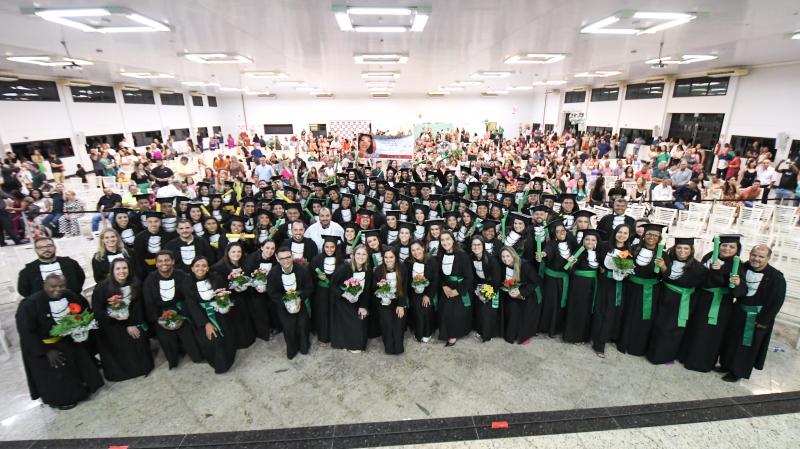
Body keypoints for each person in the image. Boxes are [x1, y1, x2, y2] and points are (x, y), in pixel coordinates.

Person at [15, 273, 104, 410]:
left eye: (62, 286)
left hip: (68, 339)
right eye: (53, 286)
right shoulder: (30, 305)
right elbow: (26, 333)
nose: (58, 289)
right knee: (57, 368)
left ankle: (85, 386)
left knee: (80, 357)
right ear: (45, 285)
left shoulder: (71, 296)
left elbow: (84, 313)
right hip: (45, 345)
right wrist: (46, 351)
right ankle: (62, 398)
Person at [679, 234, 747, 372]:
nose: (727, 249)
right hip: (701, 298)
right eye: (724, 245)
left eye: (731, 246)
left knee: (709, 334)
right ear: (718, 246)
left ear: (737, 249)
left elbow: (741, 289)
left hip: (718, 304)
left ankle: (700, 363)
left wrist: (737, 282)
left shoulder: (736, 264)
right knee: (694, 328)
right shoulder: (710, 255)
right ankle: (686, 356)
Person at [718, 244, 785, 382]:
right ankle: (725, 365)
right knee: (730, 340)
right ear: (750, 254)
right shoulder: (742, 267)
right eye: (754, 255)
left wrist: (763, 321)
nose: (756, 259)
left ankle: (737, 372)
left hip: (756, 317)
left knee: (746, 345)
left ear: (768, 258)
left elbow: (776, 302)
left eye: (761, 257)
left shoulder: (776, 277)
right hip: (738, 311)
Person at [646, 238, 708, 364]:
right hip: (664, 297)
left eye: (686, 248)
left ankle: (664, 356)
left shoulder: (698, 267)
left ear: (691, 250)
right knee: (658, 325)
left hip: (680, 302)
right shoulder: (668, 260)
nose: (682, 251)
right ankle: (652, 353)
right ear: (674, 248)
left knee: (672, 329)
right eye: (679, 248)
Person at [90, 258, 154, 381]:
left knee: (138, 339)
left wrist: (132, 324)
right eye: (118, 268)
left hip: (132, 321)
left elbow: (138, 306)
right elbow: (97, 311)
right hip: (111, 324)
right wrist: (111, 315)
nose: (122, 271)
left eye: (125, 268)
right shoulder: (101, 288)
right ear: (112, 271)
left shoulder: (135, 283)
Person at [141, 250, 203, 369]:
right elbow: (148, 302)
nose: (164, 263)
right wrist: (159, 319)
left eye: (167, 260)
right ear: (156, 263)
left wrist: (181, 314)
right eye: (160, 261)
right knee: (166, 338)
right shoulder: (150, 279)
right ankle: (173, 359)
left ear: (173, 261)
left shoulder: (182, 275)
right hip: (160, 315)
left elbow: (188, 297)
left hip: (180, 311)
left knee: (191, 341)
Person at [617, 223, 665, 356]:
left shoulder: (663, 254)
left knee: (643, 319)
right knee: (627, 315)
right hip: (631, 288)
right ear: (644, 235)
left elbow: (667, 275)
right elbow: (620, 260)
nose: (652, 237)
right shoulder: (633, 248)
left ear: (659, 238)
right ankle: (623, 343)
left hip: (650, 291)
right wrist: (624, 268)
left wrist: (663, 266)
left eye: (655, 235)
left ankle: (637, 346)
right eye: (649, 234)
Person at [183, 256, 237, 374]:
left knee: (226, 332)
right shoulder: (187, 283)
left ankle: (229, 359)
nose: (200, 268)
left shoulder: (216, 278)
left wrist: (223, 305)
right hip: (202, 316)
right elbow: (192, 306)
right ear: (192, 268)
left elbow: (224, 294)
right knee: (212, 338)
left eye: (203, 266)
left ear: (208, 268)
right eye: (197, 266)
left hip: (218, 311)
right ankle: (220, 365)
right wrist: (206, 323)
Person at [590, 224, 632, 357]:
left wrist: (626, 273)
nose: (622, 235)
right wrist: (600, 268)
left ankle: (601, 343)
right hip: (602, 283)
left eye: (625, 233)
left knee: (609, 313)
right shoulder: (603, 245)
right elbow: (594, 260)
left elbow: (627, 270)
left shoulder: (628, 251)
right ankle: (595, 338)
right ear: (615, 233)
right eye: (620, 232)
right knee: (598, 311)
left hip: (617, 285)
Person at [266, 245, 313, 359]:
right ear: (277, 258)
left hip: (300, 301)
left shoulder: (302, 270)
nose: (286, 260)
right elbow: (272, 292)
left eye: (288, 257)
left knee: (302, 325)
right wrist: (285, 303)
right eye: (282, 258)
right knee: (288, 326)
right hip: (283, 304)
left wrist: (299, 299)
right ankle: (292, 348)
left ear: (292, 256)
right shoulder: (273, 273)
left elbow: (309, 287)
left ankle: (304, 346)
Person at [562, 229, 601, 344]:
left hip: (593, 285)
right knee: (577, 310)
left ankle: (584, 336)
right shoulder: (577, 252)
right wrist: (571, 264)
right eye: (587, 239)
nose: (590, 242)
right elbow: (569, 270)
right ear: (583, 241)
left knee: (588, 311)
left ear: (597, 242)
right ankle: (573, 336)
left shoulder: (599, 254)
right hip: (578, 285)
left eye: (593, 240)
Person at [435, 230, 473, 346]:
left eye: (448, 239)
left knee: (454, 312)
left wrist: (457, 291)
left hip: (461, 288)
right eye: (442, 240)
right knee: (444, 309)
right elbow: (440, 275)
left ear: (453, 240)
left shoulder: (463, 256)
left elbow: (469, 278)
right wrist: (444, 286)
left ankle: (453, 334)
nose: (445, 242)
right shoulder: (440, 256)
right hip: (447, 288)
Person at [18, 236, 85, 298]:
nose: (46, 249)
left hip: (72, 299)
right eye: (41, 247)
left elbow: (80, 278)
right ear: (36, 250)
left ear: (55, 247)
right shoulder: (28, 270)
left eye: (49, 246)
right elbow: (24, 291)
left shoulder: (70, 263)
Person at [499, 245, 541, 344]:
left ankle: (523, 334)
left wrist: (520, 292)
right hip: (512, 291)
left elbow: (534, 282)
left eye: (508, 256)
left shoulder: (525, 265)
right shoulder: (503, 266)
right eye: (503, 257)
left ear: (513, 255)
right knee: (510, 306)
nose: (505, 259)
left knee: (521, 308)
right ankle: (510, 334)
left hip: (528, 292)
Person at [372, 247, 408, 355]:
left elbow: (404, 287)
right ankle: (389, 347)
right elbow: (374, 288)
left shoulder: (402, 268)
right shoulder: (378, 270)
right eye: (386, 257)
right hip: (384, 302)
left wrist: (401, 305)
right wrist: (382, 295)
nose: (388, 260)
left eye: (391, 257)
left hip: (398, 301)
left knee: (398, 324)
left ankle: (398, 347)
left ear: (396, 257)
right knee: (387, 323)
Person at [307, 235, 341, 345]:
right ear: (323, 247)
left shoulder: (340, 259)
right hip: (321, 291)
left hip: (335, 290)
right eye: (327, 247)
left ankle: (335, 335)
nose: (329, 249)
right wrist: (317, 277)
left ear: (336, 247)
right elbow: (310, 274)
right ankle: (323, 336)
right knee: (322, 313)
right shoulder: (316, 259)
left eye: (332, 247)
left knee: (334, 312)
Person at [469, 236, 502, 342]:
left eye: (479, 244)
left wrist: (489, 292)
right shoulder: (471, 258)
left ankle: (487, 334)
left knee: (487, 310)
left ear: (483, 246)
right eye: (474, 245)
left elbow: (497, 279)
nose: (476, 247)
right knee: (478, 309)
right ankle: (479, 329)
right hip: (479, 286)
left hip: (492, 287)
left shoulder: (491, 259)